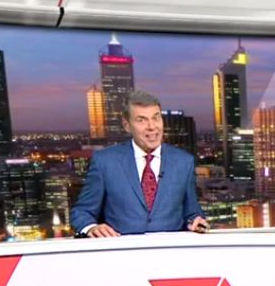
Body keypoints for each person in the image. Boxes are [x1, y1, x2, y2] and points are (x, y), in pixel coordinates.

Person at [71, 91, 208, 238]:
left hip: (169, 249)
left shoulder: (183, 161)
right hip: (121, 249)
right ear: (127, 125)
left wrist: (196, 221)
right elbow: (81, 212)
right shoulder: (105, 162)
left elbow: (192, 212)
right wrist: (91, 227)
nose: (152, 126)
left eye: (156, 118)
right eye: (141, 120)